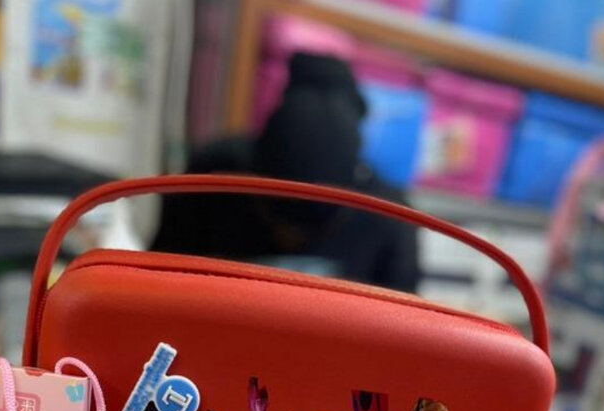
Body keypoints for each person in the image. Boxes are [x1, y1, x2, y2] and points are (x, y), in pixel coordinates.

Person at [151, 52, 420, 292]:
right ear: (252, 177)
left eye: (309, 232)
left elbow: (403, 321)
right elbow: (157, 279)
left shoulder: (389, 217)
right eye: (279, 221)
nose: (290, 239)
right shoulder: (211, 182)